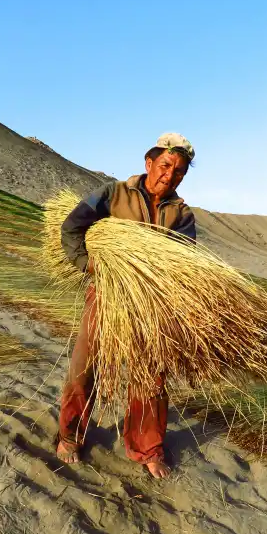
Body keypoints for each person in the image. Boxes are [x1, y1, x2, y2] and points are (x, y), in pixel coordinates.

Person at [55, 133, 197, 479]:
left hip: (150, 304)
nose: (170, 175)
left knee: (151, 375)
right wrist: (87, 264)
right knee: (85, 365)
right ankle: (70, 436)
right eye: (166, 166)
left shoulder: (181, 213)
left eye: (179, 171)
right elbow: (72, 227)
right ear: (149, 162)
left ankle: (147, 448)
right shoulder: (113, 193)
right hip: (107, 293)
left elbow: (187, 259)